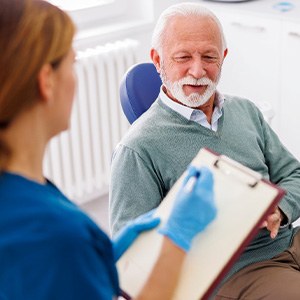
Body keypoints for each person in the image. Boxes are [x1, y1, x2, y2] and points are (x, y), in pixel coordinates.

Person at [0, 1, 218, 299]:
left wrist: (101, 256)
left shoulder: (24, 195)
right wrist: (177, 239)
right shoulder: (54, 234)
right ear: (46, 81)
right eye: (72, 63)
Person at [109, 2, 300, 299]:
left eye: (209, 57)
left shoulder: (245, 112)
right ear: (157, 60)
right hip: (241, 271)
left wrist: (280, 209)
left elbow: (294, 174)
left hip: (290, 239)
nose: (198, 71)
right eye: (183, 57)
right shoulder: (137, 148)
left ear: (223, 58)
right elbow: (132, 262)